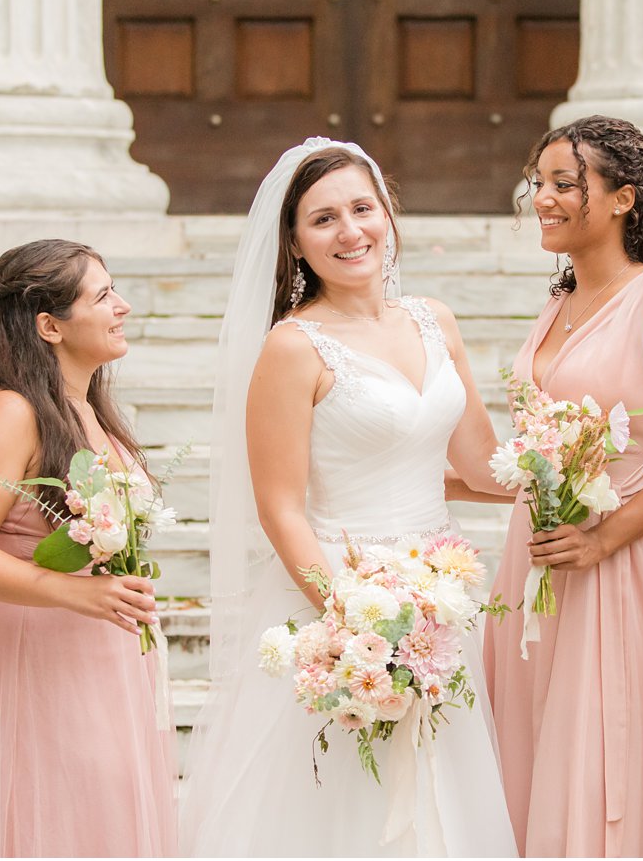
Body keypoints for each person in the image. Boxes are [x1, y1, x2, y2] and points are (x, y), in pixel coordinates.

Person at [179, 138, 517, 856]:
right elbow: (280, 508)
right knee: (338, 809)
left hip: (442, 598)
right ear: (296, 243)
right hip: (340, 599)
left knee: (442, 793)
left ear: (388, 215)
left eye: (363, 208)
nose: (351, 231)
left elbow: (484, 465)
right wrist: (354, 628)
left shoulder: (435, 320)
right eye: (324, 219)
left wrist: (569, 467)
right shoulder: (293, 348)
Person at [483, 115, 643, 856]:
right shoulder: (556, 304)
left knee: (604, 760)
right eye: (540, 184)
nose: (544, 199)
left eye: (565, 183)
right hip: (534, 562)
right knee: (531, 752)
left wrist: (603, 537)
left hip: (617, 562)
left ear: (623, 199)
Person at [0, 239, 178, 856]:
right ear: (49, 325)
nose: (121, 306)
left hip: (111, 651)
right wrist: (75, 590)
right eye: (102, 296)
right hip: (48, 653)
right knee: (63, 821)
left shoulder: (87, 407)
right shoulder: (10, 412)